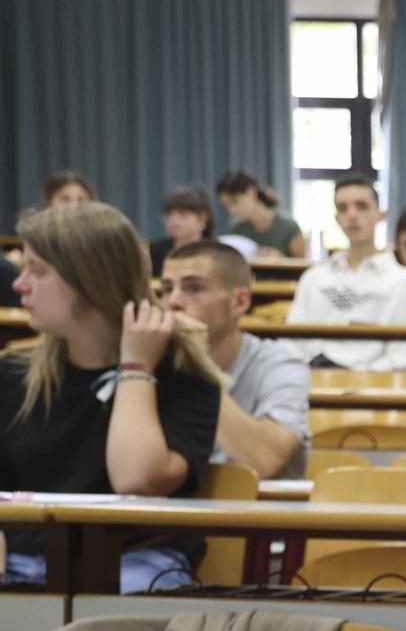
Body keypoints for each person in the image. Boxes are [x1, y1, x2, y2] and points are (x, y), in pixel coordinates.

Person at [2, 204, 223, 592]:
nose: (19, 284)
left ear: (88, 280)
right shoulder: (12, 371)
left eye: (37, 270)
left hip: (134, 563)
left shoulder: (183, 374)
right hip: (19, 560)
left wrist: (136, 368)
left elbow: (135, 479)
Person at [160, 240, 310, 480]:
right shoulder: (154, 363)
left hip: (262, 515)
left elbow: (265, 460)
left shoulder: (280, 364)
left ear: (240, 302)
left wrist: (199, 366)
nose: (173, 302)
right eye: (167, 289)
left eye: (194, 288)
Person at [287, 178, 406, 372]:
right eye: (343, 208)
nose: (352, 215)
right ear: (336, 219)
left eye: (362, 206)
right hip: (314, 381)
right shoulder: (313, 278)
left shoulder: (404, 282)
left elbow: (403, 354)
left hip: (376, 389)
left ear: (381, 215)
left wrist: (361, 378)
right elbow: (294, 341)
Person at [215, 170, 306, 258]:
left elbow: (304, 268)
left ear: (252, 192)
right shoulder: (237, 230)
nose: (232, 210)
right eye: (226, 206)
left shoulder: (289, 228)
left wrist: (282, 260)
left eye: (235, 201)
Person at [147, 185, 214, 276]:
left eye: (183, 215)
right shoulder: (154, 250)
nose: (173, 222)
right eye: (169, 215)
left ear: (202, 217)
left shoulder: (215, 252)